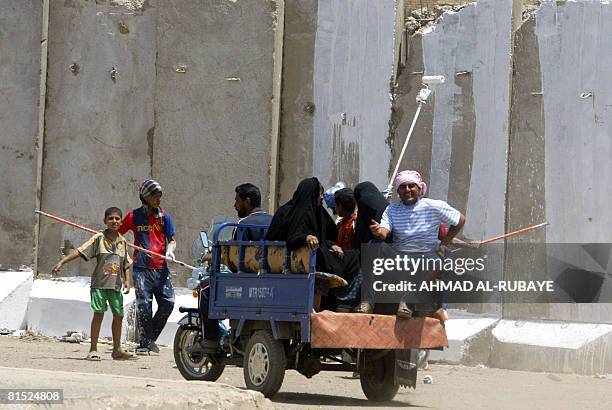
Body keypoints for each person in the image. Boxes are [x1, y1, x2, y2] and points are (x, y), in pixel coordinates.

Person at [367, 170, 465, 317]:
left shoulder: (433, 206)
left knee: (440, 259)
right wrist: (377, 231)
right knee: (374, 245)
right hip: (400, 258)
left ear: (419, 188)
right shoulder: (392, 209)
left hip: (426, 256)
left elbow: (460, 220)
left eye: (411, 186)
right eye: (403, 187)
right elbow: (384, 232)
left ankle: (408, 300)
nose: (407, 190)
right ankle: (368, 302)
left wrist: (444, 243)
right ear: (398, 191)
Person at [51, 207, 134, 361]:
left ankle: (117, 350)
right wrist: (62, 262)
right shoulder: (98, 239)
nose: (114, 221)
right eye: (111, 218)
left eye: (117, 219)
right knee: (98, 314)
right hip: (99, 285)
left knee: (119, 316)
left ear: (121, 222)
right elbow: (80, 251)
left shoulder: (122, 242)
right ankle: (93, 349)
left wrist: (128, 281)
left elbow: (126, 263)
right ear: (105, 221)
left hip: (115, 286)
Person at [265, 177, 361, 310]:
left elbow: (323, 236)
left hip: (316, 253)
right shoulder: (288, 213)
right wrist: (305, 237)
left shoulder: (315, 212)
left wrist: (330, 244)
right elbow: (291, 237)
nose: (320, 201)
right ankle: (345, 302)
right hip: (301, 257)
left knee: (349, 257)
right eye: (319, 197)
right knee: (355, 258)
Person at [200, 183, 273, 349]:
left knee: (205, 290)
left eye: (237, 201)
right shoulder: (274, 221)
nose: (234, 205)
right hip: (270, 280)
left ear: (247, 202)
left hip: (245, 282)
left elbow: (233, 258)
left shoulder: (243, 224)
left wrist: (214, 258)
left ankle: (211, 339)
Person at [119, 179, 176, 355]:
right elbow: (118, 235)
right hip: (141, 269)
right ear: (145, 197)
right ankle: (144, 344)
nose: (158, 199)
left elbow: (172, 241)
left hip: (161, 269)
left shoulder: (165, 217)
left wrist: (170, 252)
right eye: (154, 196)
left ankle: (149, 339)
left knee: (168, 304)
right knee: (144, 305)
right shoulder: (133, 216)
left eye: (159, 196)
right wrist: (125, 255)